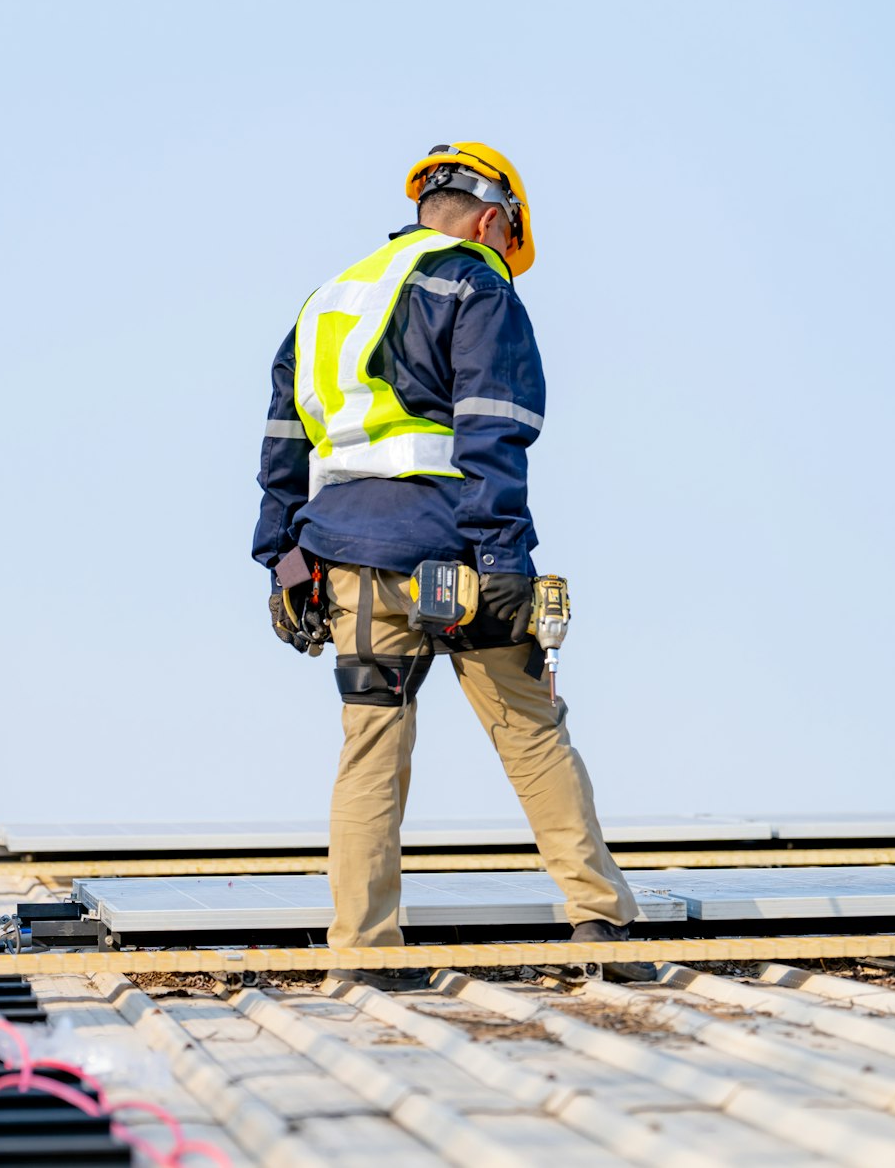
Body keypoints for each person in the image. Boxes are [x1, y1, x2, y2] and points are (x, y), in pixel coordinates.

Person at [253, 144, 638, 991]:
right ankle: (599, 919)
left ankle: (361, 952)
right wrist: (502, 554)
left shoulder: (328, 300)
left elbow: (283, 446)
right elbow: (493, 426)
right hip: (456, 549)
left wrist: (281, 564)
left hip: (346, 555)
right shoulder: (475, 282)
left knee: (370, 747)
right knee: (530, 728)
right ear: (495, 219)